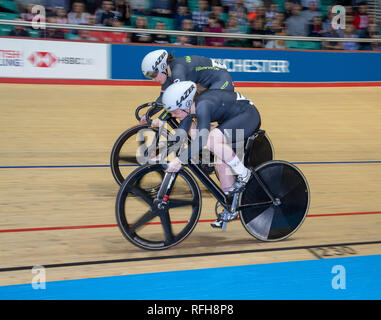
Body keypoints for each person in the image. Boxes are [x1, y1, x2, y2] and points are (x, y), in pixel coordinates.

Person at [155, 81, 261, 228]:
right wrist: (163, 153)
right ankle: (231, 206)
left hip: (248, 116)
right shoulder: (187, 110)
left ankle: (244, 174)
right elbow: (180, 135)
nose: (172, 115)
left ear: (185, 104)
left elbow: (202, 138)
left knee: (211, 140)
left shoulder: (203, 105)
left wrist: (179, 160)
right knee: (220, 164)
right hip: (233, 119)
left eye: (174, 111)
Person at [140, 49, 234, 122]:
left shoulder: (178, 71)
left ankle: (215, 138)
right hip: (208, 83)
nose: (153, 79)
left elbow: (175, 102)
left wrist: (161, 119)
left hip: (222, 80)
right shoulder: (169, 73)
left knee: (199, 111)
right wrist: (148, 115)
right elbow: (163, 99)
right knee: (189, 112)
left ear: (162, 67)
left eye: (153, 75)